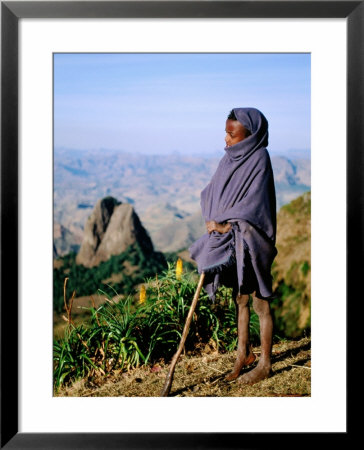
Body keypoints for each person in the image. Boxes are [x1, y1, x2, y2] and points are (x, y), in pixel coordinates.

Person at [188, 107, 277, 385]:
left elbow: (255, 205)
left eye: (231, 134)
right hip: (231, 239)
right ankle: (243, 354)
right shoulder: (227, 160)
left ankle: (265, 364)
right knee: (240, 297)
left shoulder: (259, 158)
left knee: (260, 302)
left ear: (249, 136)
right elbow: (213, 191)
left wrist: (227, 225)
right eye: (226, 132)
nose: (226, 139)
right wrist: (214, 218)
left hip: (253, 237)